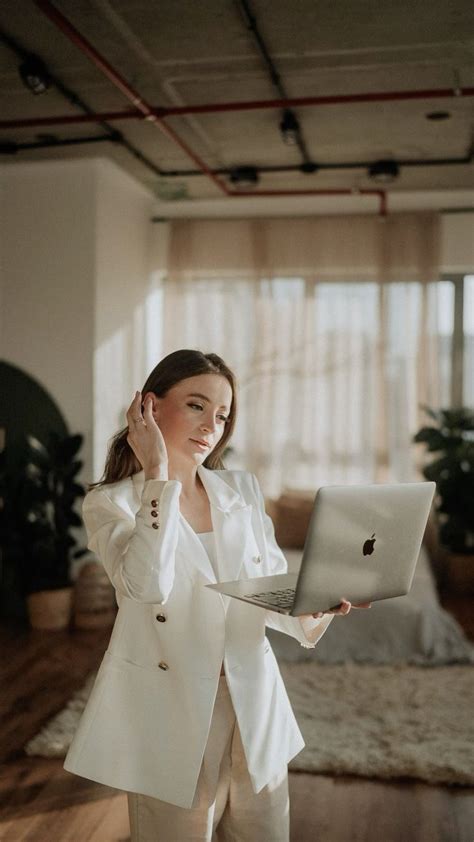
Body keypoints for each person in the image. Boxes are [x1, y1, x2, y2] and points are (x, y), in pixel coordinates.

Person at [63, 349, 371, 842]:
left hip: (255, 703)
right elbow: (146, 587)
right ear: (149, 407)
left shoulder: (242, 490)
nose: (212, 425)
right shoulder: (111, 502)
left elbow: (268, 588)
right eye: (196, 405)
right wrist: (159, 478)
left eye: (223, 414)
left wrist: (319, 601)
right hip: (171, 713)